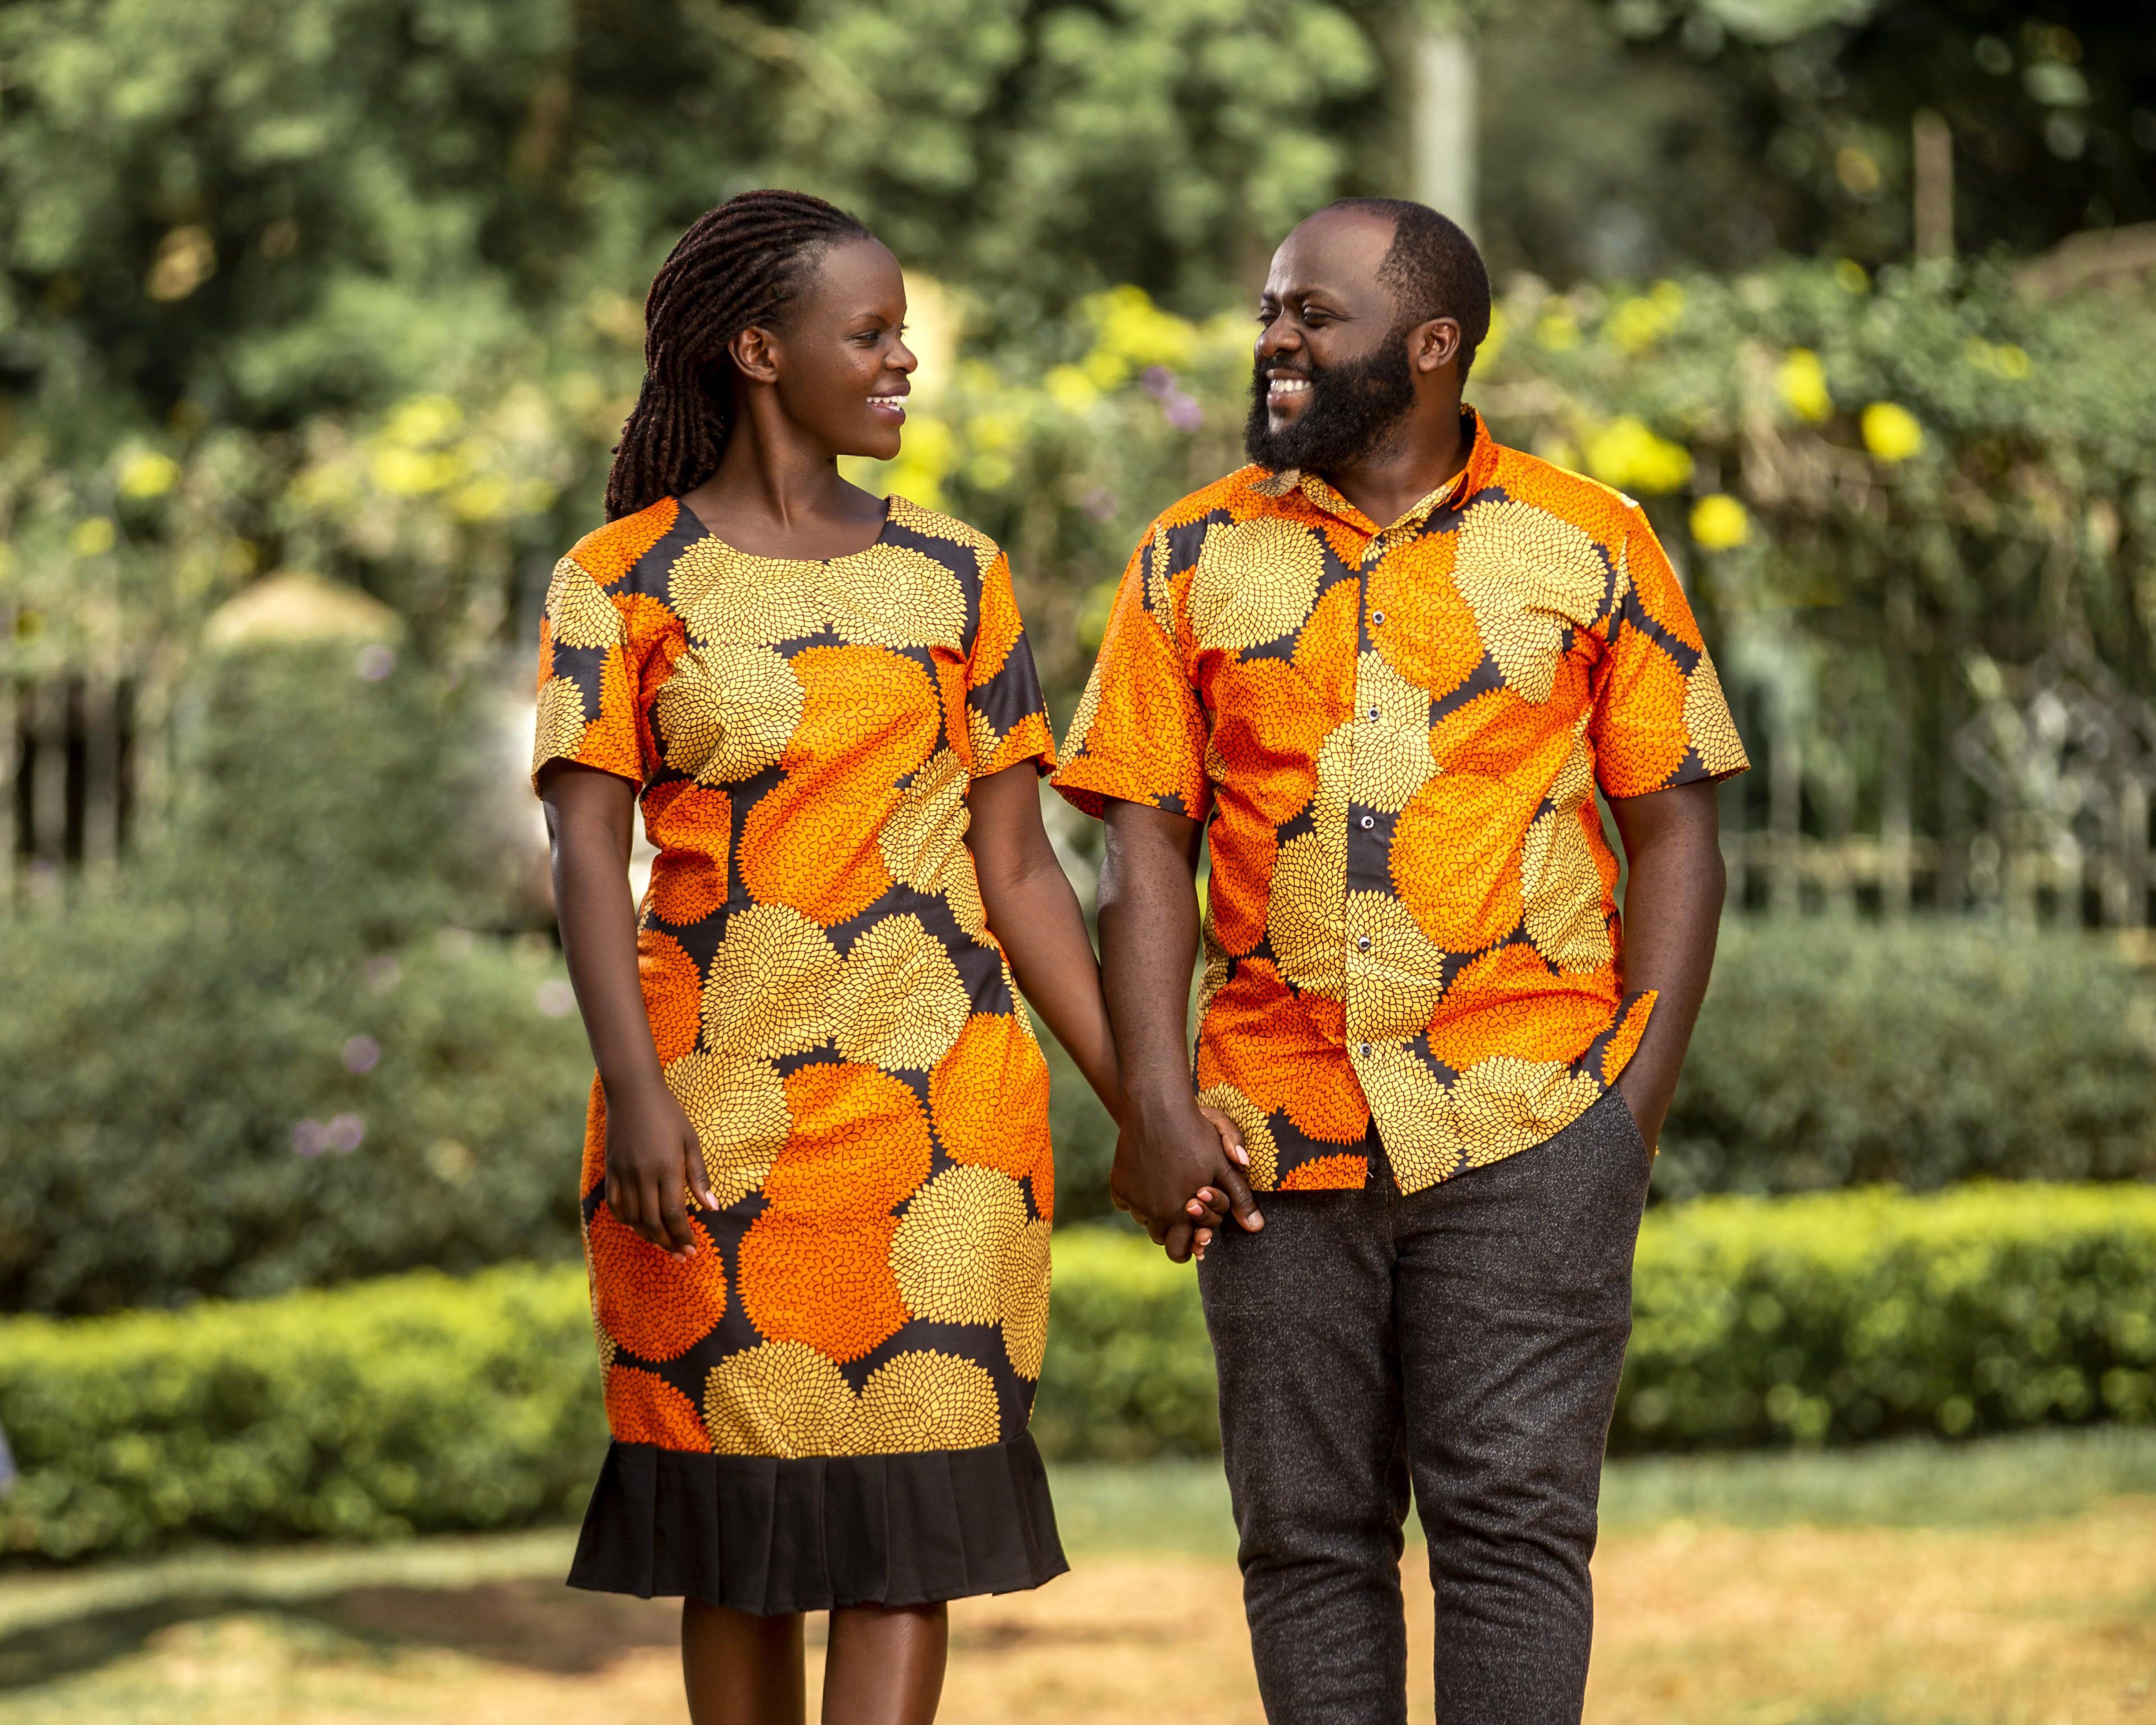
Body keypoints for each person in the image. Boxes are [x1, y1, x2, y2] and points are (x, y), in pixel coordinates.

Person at [533, 189, 1240, 1725]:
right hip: (710, 1123)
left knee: (905, 1537)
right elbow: (588, 855)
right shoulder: (619, 582)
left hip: (944, 1133)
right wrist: (637, 1096)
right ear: (761, 350)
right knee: (734, 1540)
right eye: (872, 333)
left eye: (904, 329)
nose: (905, 359)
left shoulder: (961, 578)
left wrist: (1147, 1105)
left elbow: (1021, 871)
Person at [1052, 198, 1750, 1724]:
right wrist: (1156, 1107)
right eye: (1272, 312)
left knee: (1512, 1538)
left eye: (1317, 315)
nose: (1277, 339)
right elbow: (1142, 843)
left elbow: (1676, 824)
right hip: (1271, 1133)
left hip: (1530, 1122)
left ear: (1431, 346)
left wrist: (1625, 1112)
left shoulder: (1591, 541)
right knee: (1306, 1543)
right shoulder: (1189, 556)